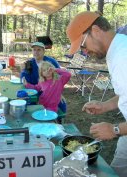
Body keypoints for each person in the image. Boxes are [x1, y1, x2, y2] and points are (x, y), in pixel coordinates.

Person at [66, 11, 127, 177]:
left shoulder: (123, 56)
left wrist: (114, 129)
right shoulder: (115, 50)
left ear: (96, 30)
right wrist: (105, 105)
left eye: (83, 46)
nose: (84, 52)